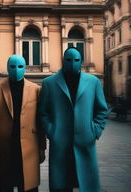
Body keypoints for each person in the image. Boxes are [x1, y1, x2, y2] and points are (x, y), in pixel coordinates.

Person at [39, 47, 108, 192]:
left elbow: (102, 109)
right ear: (63, 60)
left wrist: (94, 130)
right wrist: (52, 131)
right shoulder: (49, 83)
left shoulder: (93, 82)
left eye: (76, 60)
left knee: (87, 183)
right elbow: (43, 112)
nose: (72, 63)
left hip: (85, 142)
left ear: (81, 61)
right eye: (68, 60)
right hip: (60, 144)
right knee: (61, 184)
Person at [0, 55, 46, 192]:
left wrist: (42, 147)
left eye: (20, 66)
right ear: (7, 67)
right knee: (6, 186)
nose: (16, 70)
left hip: (29, 149)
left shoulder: (36, 89)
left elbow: (40, 121)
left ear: (25, 68)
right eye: (13, 66)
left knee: (29, 186)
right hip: (5, 149)